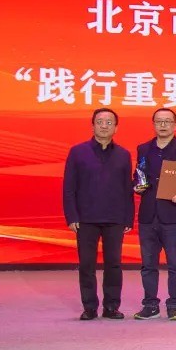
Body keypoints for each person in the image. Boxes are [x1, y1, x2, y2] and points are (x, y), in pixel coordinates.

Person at [62, 108, 134, 320]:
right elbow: (69, 187)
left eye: (109, 122)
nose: (104, 126)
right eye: (100, 122)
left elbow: (127, 189)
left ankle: (111, 306)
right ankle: (89, 307)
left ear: (116, 128)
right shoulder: (78, 152)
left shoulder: (123, 154)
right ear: (93, 125)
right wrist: (72, 216)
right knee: (87, 264)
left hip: (115, 218)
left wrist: (128, 218)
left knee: (114, 264)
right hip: (85, 219)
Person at [132, 108, 176, 321]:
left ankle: (173, 305)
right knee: (148, 264)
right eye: (159, 121)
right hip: (148, 214)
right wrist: (137, 186)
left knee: (175, 264)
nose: (163, 125)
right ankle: (150, 305)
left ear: (175, 125)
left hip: (173, 214)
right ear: (153, 124)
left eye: (167, 121)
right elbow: (138, 175)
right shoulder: (143, 148)